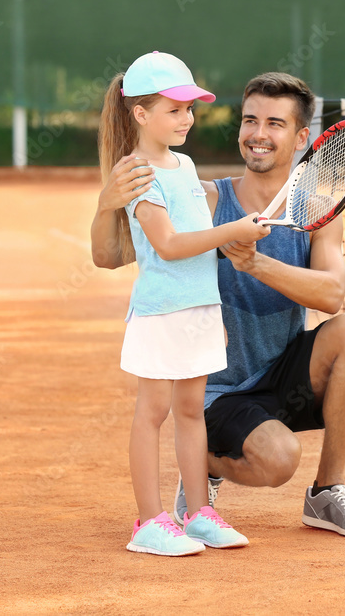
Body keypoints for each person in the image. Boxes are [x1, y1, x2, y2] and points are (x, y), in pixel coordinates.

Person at [92, 72, 345, 540]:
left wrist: (256, 264)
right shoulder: (205, 199)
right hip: (219, 391)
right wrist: (106, 206)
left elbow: (332, 296)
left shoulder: (318, 212)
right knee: (277, 460)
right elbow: (110, 256)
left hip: (283, 373)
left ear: (301, 137)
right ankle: (202, 469)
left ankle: (327, 493)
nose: (258, 134)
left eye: (275, 123)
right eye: (250, 120)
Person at [98, 51, 271, 557]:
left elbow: (194, 236)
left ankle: (198, 515)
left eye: (190, 108)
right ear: (140, 114)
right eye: (174, 109)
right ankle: (149, 522)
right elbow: (170, 245)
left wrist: (231, 242)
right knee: (152, 412)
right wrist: (234, 230)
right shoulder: (136, 173)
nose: (187, 119)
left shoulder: (186, 164)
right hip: (160, 311)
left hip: (198, 308)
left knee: (192, 410)